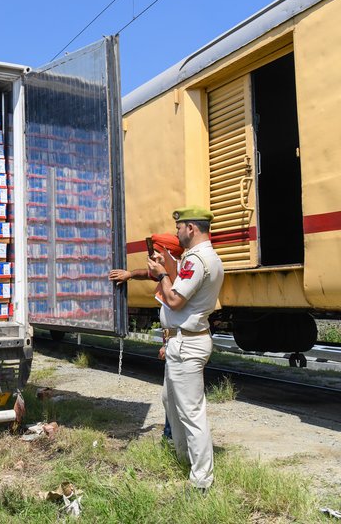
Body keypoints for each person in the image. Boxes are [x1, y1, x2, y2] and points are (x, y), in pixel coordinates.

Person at [147, 207, 224, 493]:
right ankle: (184, 459)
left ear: (191, 228)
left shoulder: (197, 260)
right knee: (170, 400)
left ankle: (201, 480)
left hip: (187, 343)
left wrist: (161, 275)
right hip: (183, 340)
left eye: (179, 227)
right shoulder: (206, 258)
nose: (176, 232)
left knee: (191, 412)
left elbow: (175, 300)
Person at [109, 233, 184, 439]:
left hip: (181, 343)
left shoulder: (178, 276)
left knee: (178, 397)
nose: (151, 259)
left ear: (168, 254)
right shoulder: (166, 272)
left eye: (156, 254)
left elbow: (181, 315)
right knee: (169, 395)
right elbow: (146, 273)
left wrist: (170, 343)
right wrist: (130, 274)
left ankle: (175, 439)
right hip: (174, 342)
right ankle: (171, 437)